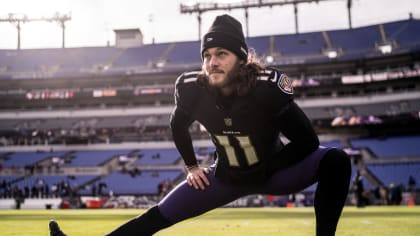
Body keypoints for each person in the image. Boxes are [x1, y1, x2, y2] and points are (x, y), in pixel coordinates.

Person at [49, 14, 351, 236]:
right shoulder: (194, 89)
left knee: (336, 161)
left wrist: (268, 167)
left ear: (242, 59)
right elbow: (177, 125)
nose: (212, 61)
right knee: (156, 217)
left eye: (222, 53)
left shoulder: (265, 89)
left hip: (274, 172)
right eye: (207, 55)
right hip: (226, 176)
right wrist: (192, 166)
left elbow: (307, 142)